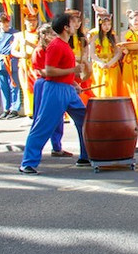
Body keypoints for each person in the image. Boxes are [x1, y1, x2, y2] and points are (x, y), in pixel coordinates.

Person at [19, 12, 91, 174]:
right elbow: (50, 71)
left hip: (67, 89)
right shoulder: (56, 45)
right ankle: (28, 163)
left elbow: (61, 70)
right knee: (44, 125)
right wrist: (73, 70)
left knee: (85, 120)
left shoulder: (64, 45)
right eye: (73, 22)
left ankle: (86, 156)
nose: (76, 25)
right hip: (55, 89)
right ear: (66, 27)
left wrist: (73, 82)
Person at [29, 24, 71, 157]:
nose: (55, 37)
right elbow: (42, 70)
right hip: (44, 83)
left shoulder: (55, 48)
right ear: (44, 36)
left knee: (58, 116)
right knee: (41, 118)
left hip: (57, 82)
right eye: (52, 34)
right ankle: (33, 150)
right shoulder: (39, 51)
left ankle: (57, 146)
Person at [11, 8, 39, 118]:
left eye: (34, 20)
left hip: (37, 66)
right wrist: (21, 54)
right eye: (29, 20)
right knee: (27, 87)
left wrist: (30, 44)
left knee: (38, 88)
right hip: (24, 66)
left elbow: (44, 48)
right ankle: (30, 112)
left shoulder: (40, 34)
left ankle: (38, 109)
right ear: (25, 22)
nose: (32, 22)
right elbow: (13, 51)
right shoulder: (19, 35)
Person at [89, 13, 122, 97]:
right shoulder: (94, 37)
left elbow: (118, 52)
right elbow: (92, 53)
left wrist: (110, 63)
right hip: (99, 65)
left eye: (109, 24)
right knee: (99, 87)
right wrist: (100, 62)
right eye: (104, 24)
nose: (107, 27)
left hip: (112, 65)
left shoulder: (114, 37)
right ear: (100, 25)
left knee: (113, 86)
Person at [0, 13, 21, 120]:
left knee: (14, 85)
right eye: (4, 24)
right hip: (0, 61)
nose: (6, 26)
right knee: (3, 87)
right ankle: (6, 108)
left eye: (7, 23)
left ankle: (15, 108)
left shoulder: (15, 33)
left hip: (12, 61)